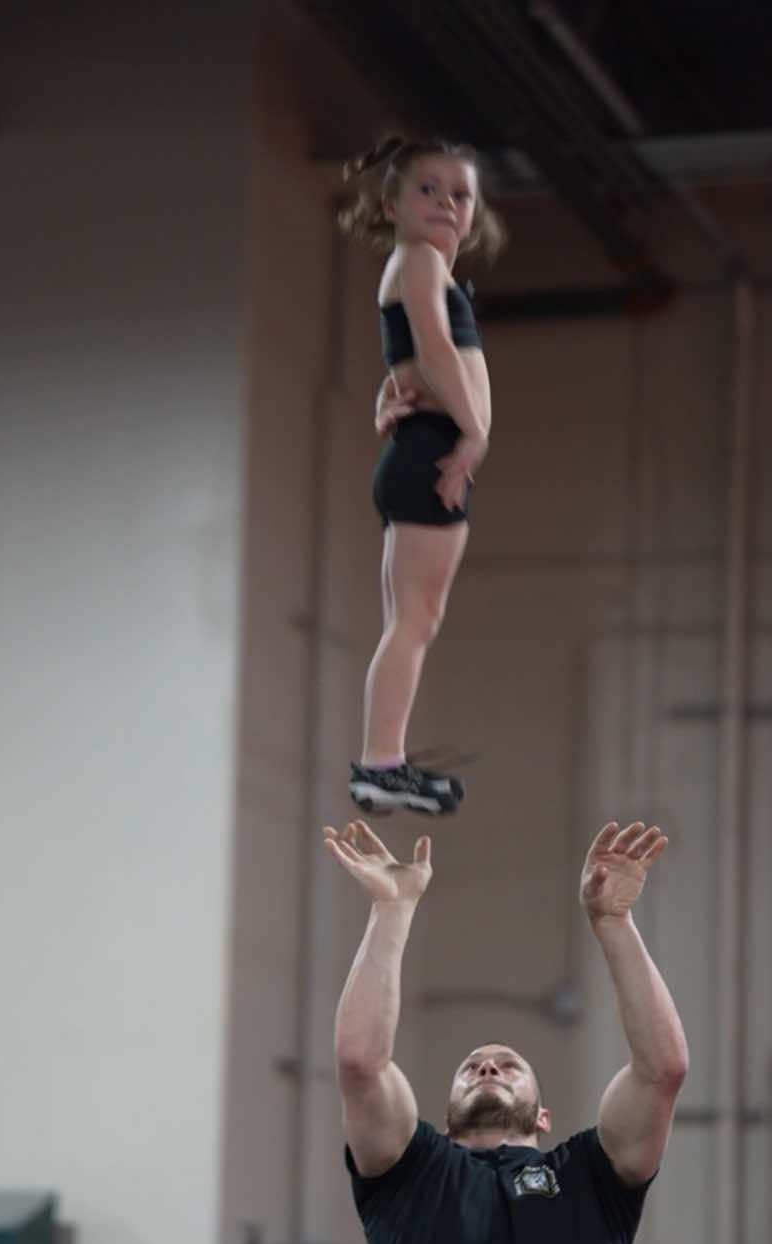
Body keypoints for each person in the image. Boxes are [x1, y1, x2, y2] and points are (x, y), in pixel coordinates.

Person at [323, 817, 689, 1244]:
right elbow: (359, 1060)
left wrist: (614, 923)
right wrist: (391, 908)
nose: (488, 1067)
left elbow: (662, 1070)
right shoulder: (412, 1175)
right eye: (472, 1064)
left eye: (507, 1063)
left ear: (543, 1114)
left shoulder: (588, 1181)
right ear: (440, 1111)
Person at [338, 137, 506, 816]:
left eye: (459, 194)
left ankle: (387, 758)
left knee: (410, 620)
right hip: (432, 451)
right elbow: (434, 351)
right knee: (413, 620)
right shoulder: (413, 261)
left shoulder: (420, 267)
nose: (446, 203)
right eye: (427, 190)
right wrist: (472, 431)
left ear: (474, 213)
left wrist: (392, 391)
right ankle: (381, 764)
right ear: (391, 206)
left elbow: (410, 356)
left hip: (421, 447)